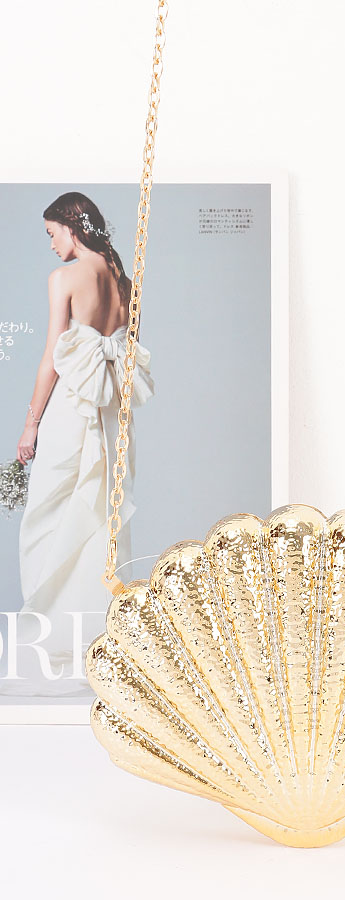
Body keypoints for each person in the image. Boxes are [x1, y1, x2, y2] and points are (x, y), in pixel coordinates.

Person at [1, 191, 154, 697]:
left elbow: (52, 357)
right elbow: (125, 350)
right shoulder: (124, 281)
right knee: (100, 518)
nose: (50, 245)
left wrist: (30, 424)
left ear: (72, 226)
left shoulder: (64, 278)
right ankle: (95, 639)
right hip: (111, 414)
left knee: (47, 515)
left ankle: (53, 640)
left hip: (73, 409)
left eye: (51, 234)